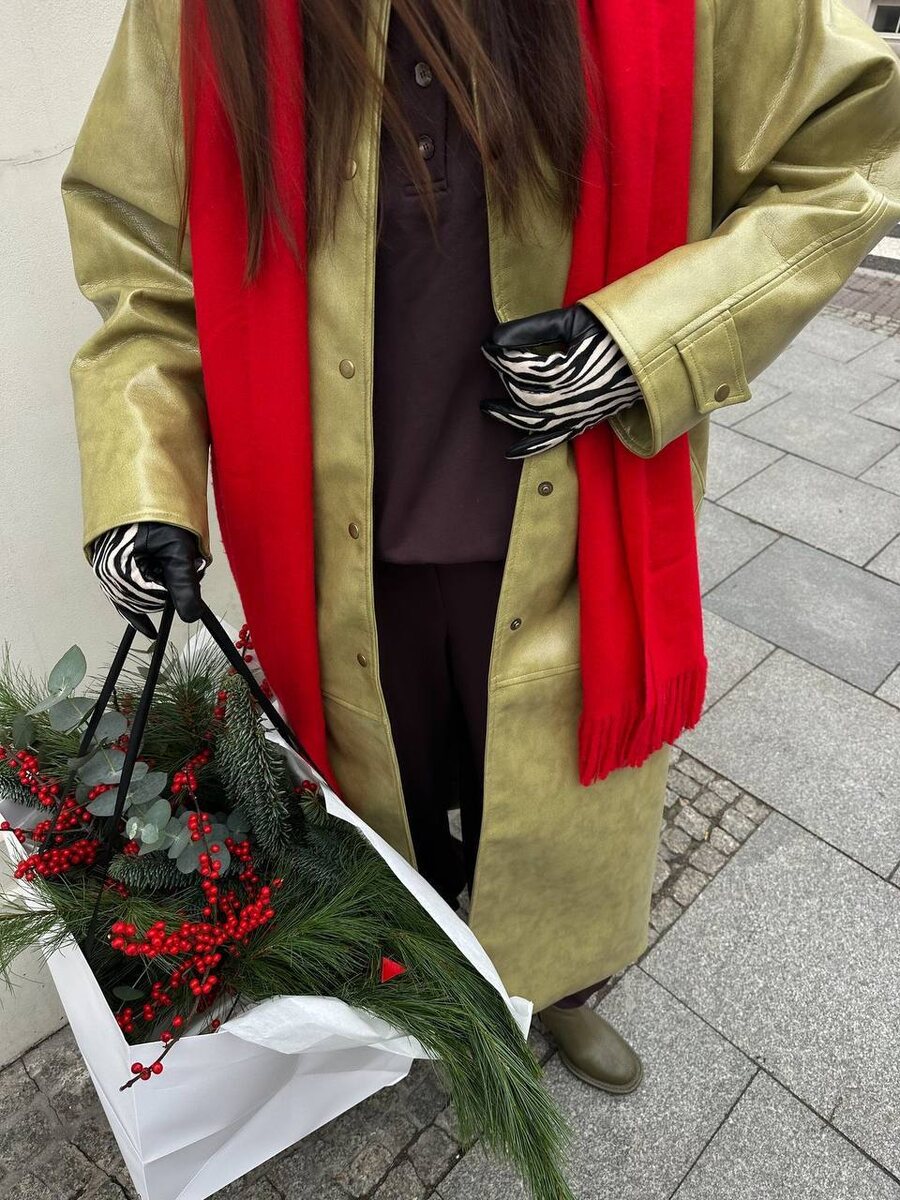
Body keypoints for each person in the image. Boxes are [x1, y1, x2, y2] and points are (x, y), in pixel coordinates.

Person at [61, 0, 900, 1094]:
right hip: (328, 537)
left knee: (553, 807)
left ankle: (558, 983)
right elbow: (144, 256)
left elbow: (852, 148)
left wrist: (649, 339)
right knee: (392, 804)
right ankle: (429, 985)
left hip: (575, 520)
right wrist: (142, 482)